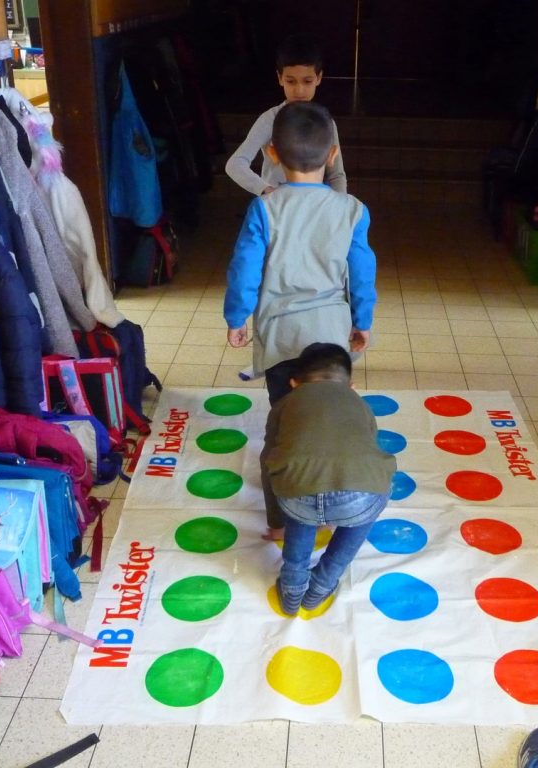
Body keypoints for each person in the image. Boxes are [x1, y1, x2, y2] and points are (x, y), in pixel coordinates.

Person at [223, 100, 378, 538]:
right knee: (330, 420)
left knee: (284, 425)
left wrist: (237, 317)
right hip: (332, 341)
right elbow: (362, 271)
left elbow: (244, 268)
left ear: (272, 153)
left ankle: (280, 521)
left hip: (280, 340)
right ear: (333, 154)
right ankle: (329, 505)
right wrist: (362, 320)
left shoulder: (265, 208)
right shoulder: (352, 209)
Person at [261, 343, 396, 616]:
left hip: (301, 491)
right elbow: (369, 446)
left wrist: (277, 523)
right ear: (351, 386)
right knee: (375, 489)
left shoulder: (285, 403)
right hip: (360, 496)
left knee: (301, 509)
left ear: (293, 383)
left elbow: (268, 462)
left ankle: (292, 586)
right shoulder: (360, 404)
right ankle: (323, 583)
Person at [224, 35, 347, 196]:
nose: (299, 90)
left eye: (307, 81)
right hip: (278, 208)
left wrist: (339, 205)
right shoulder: (270, 119)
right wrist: (268, 191)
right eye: (291, 81)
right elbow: (235, 164)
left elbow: (336, 175)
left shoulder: (324, 121)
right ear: (280, 78)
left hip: (314, 206)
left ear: (319, 78)